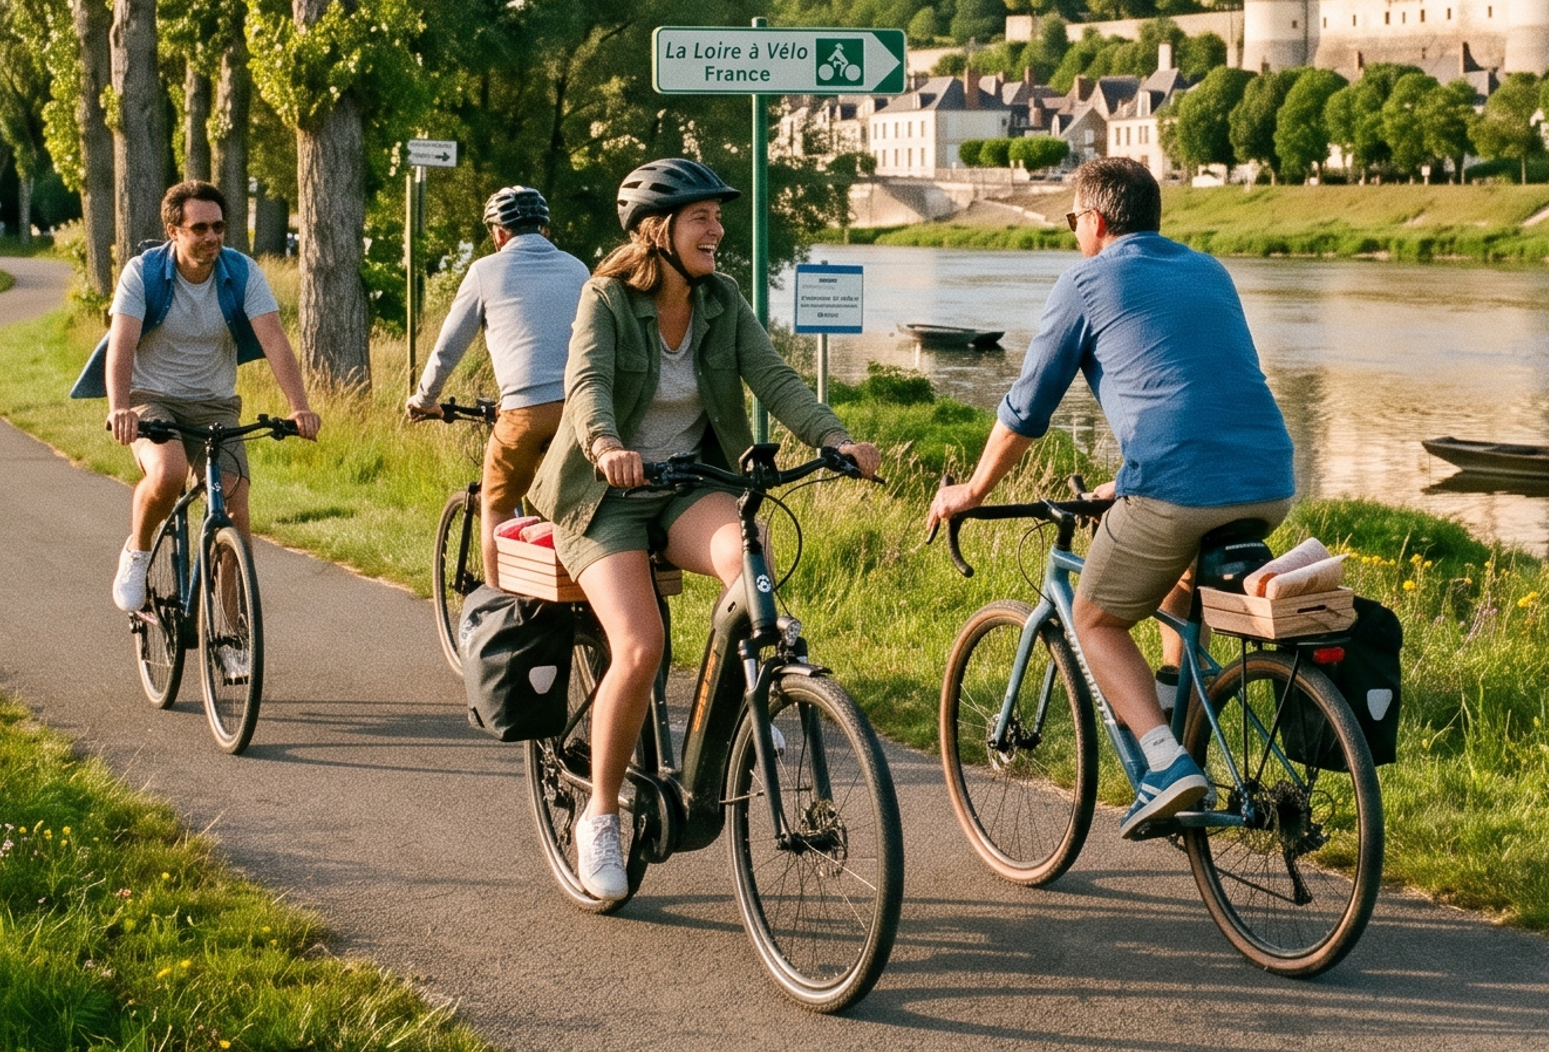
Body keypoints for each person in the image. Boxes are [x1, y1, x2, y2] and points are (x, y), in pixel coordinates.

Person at [535, 158, 882, 900]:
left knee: (748, 561)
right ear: (657, 230)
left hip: (690, 484)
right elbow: (586, 383)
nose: (718, 230)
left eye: (718, 218)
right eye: (703, 218)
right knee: (641, 645)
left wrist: (834, 436)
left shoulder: (722, 299)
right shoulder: (606, 298)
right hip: (605, 494)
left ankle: (753, 702)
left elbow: (776, 377)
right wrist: (604, 446)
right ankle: (598, 815)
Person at [925, 155, 1293, 838]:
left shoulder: (1086, 281)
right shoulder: (1209, 270)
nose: (1073, 234)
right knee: (1176, 582)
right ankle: (1177, 708)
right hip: (1270, 479)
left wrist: (973, 489)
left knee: (1094, 619)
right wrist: (1125, 482)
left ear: (1093, 221)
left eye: (1072, 222)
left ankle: (1164, 764)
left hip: (1177, 487)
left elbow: (1026, 410)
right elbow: (1196, 389)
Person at [82, 181, 322, 637]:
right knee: (168, 473)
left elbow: (274, 339)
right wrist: (120, 408)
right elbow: (123, 345)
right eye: (199, 228)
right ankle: (137, 552)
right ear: (174, 230)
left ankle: (232, 633)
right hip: (153, 399)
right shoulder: (143, 273)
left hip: (215, 403)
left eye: (218, 227)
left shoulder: (242, 272)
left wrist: (299, 406)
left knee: (234, 507)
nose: (212, 237)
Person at [405, 185, 592, 586]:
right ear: (543, 229)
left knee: (496, 502)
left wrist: (425, 399)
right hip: (581, 411)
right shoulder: (577, 269)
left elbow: (448, 348)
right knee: (561, 506)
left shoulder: (485, 271)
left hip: (524, 414)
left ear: (499, 233)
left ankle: (498, 606)